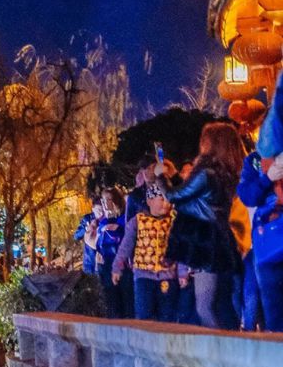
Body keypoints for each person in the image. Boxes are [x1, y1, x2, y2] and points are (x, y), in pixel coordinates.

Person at [159, 121, 244, 331]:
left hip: (206, 243)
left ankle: (221, 348)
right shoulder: (226, 173)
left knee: (205, 306)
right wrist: (175, 176)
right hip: (221, 240)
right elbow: (194, 196)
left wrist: (161, 176)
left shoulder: (207, 173)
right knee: (222, 304)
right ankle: (234, 342)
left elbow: (175, 196)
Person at [111, 181, 180, 322]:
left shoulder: (173, 221)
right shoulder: (138, 221)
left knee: (167, 316)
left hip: (167, 275)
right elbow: (126, 245)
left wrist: (182, 272)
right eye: (161, 199)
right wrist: (117, 267)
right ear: (149, 201)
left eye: (168, 199)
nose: (166, 204)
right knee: (144, 314)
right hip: (143, 275)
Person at [238, 150, 283, 332]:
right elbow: (247, 196)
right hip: (269, 242)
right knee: (272, 308)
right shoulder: (255, 160)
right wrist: (268, 177)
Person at [95, 189, 127, 318]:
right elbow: (98, 244)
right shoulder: (102, 222)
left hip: (123, 266)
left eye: (108, 199)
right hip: (106, 266)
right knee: (110, 301)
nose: (104, 203)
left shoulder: (123, 219)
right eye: (102, 200)